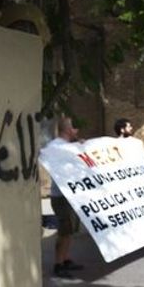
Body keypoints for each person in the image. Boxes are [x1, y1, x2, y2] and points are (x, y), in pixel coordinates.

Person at [46, 116, 85, 277]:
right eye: (74, 127)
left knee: (69, 230)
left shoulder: (68, 146)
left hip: (70, 196)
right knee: (63, 231)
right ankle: (58, 264)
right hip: (60, 196)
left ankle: (66, 259)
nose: (77, 130)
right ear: (68, 130)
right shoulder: (56, 146)